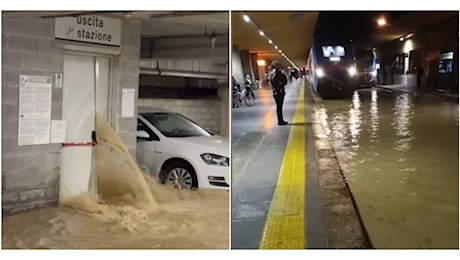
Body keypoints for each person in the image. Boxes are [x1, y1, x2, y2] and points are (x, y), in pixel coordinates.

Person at [269, 61, 288, 125]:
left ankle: (280, 120)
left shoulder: (271, 74)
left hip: (275, 92)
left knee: (279, 106)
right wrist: (281, 83)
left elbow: (271, 82)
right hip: (280, 91)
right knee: (279, 106)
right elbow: (285, 81)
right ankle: (280, 121)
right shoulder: (278, 73)